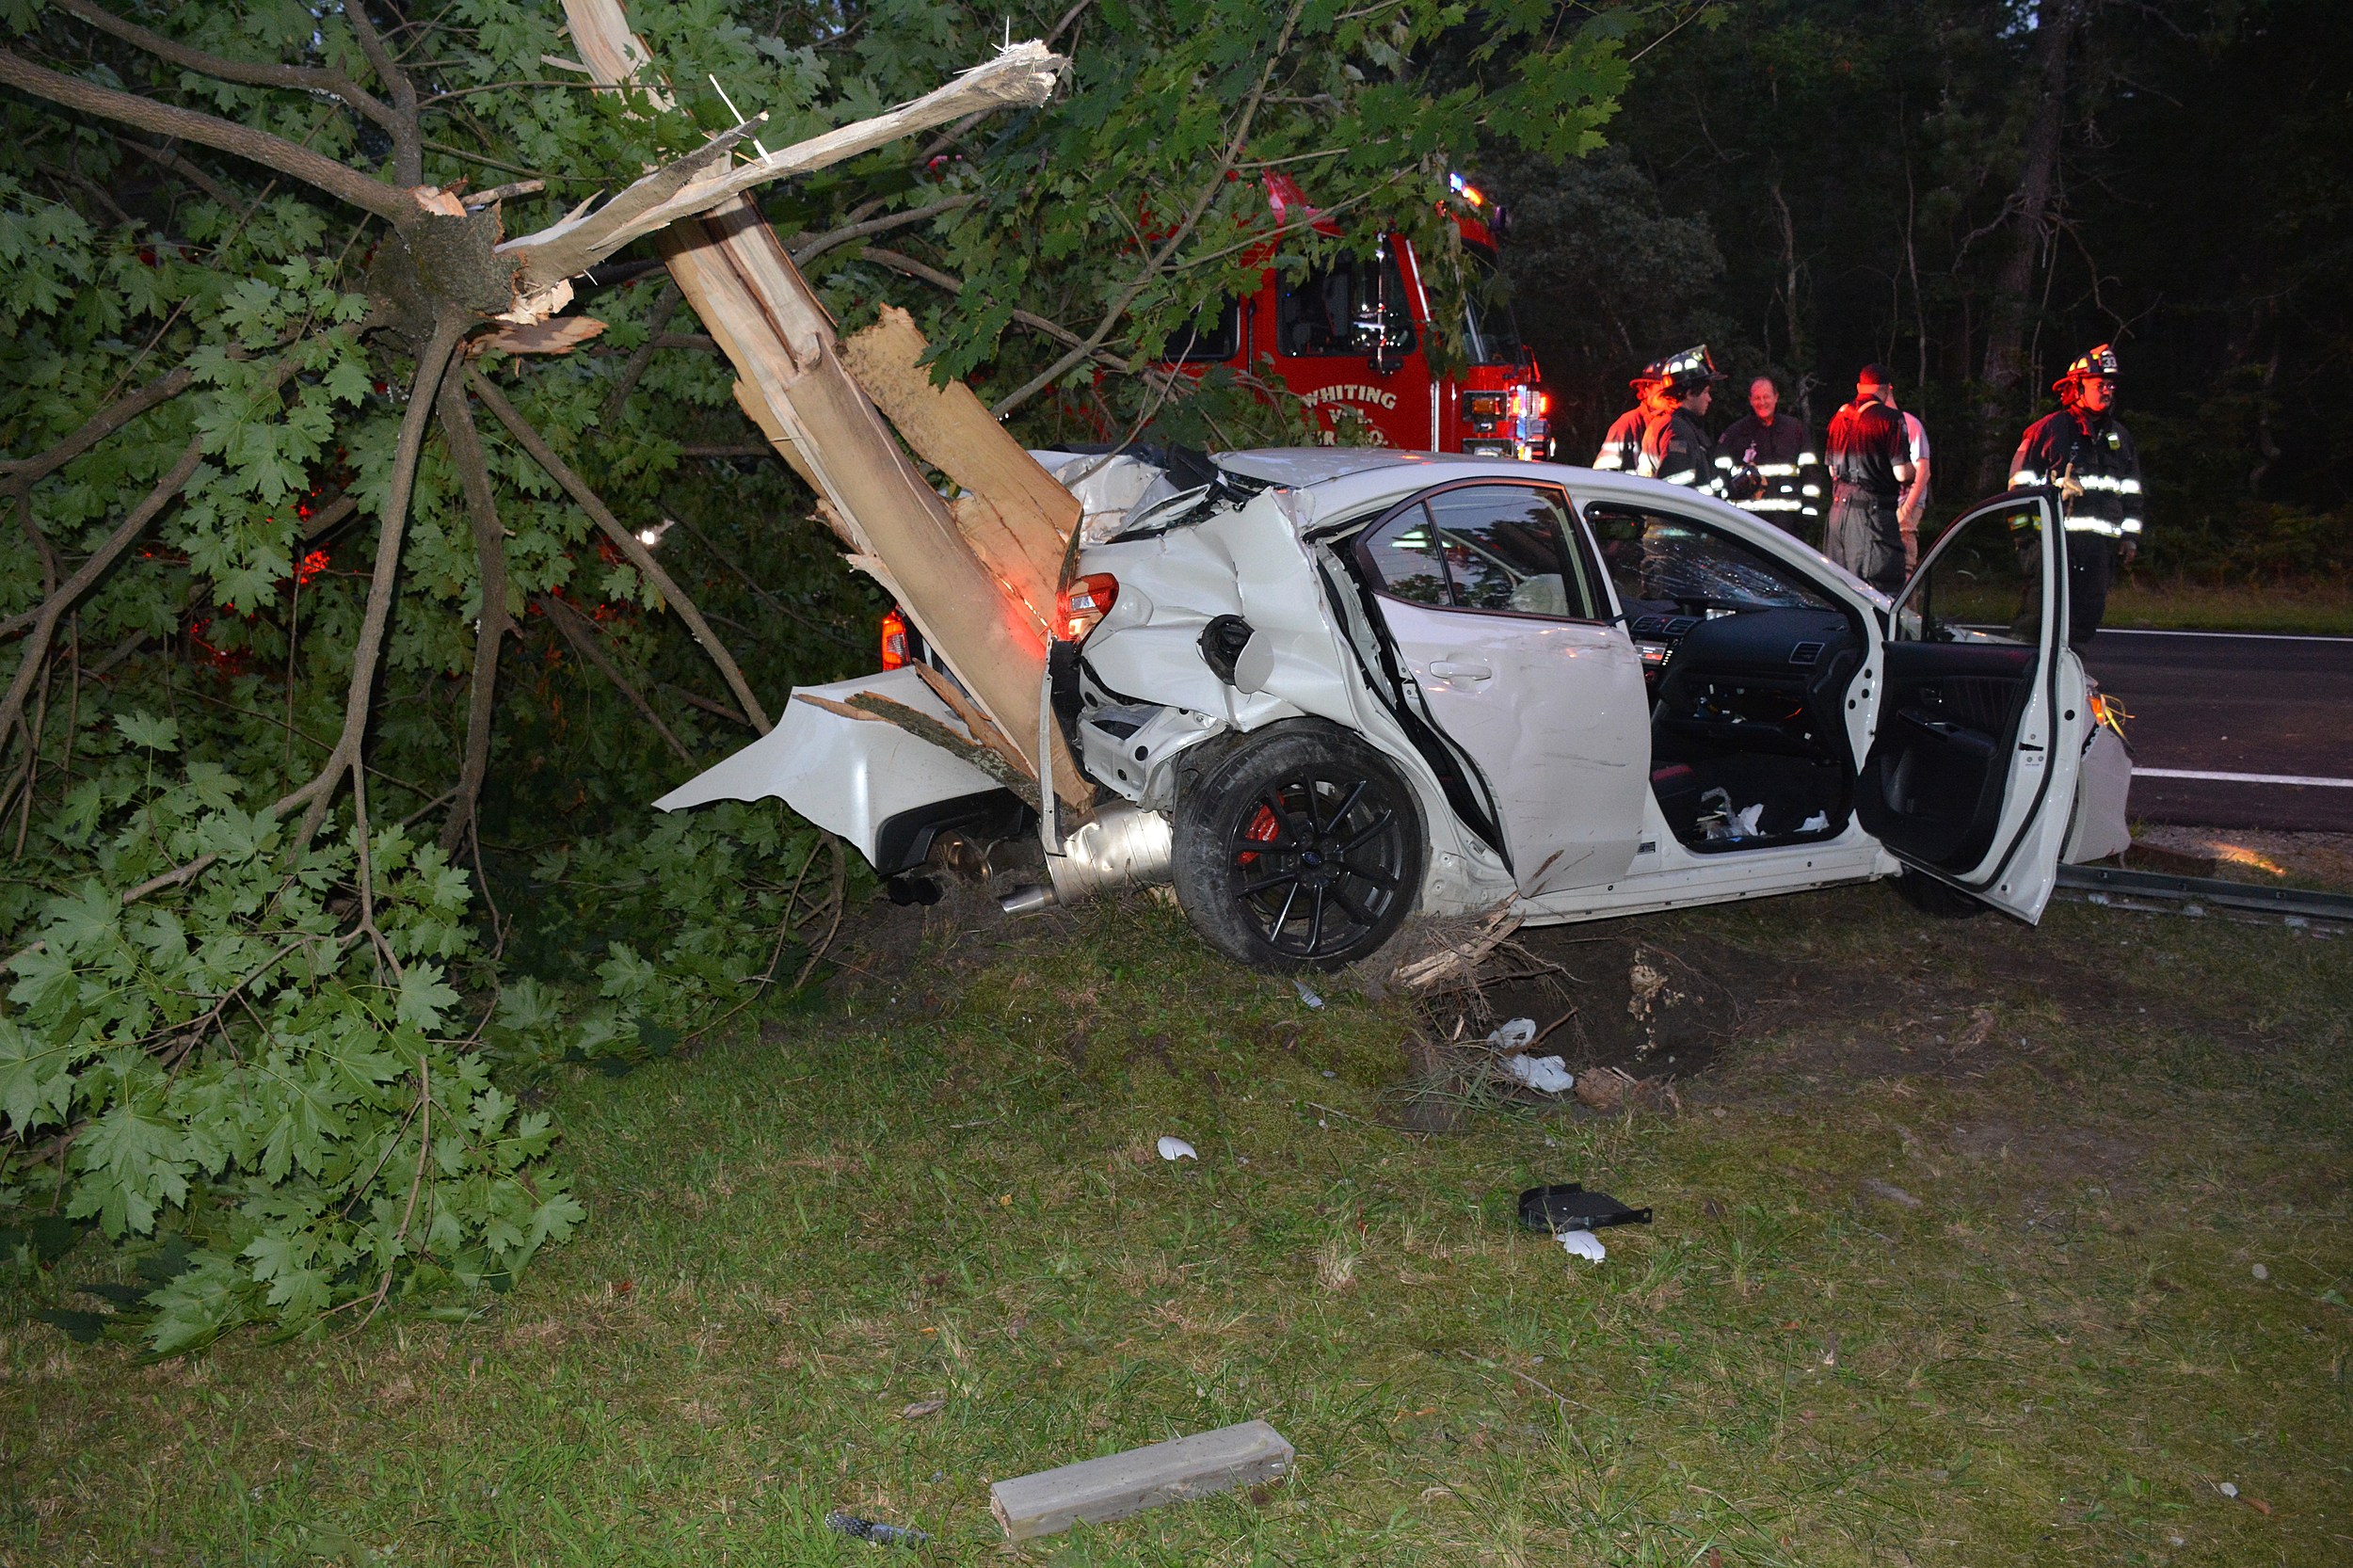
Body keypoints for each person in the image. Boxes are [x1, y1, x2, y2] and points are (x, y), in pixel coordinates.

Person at [2009, 344, 2142, 648]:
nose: (2108, 391)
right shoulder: (2048, 432)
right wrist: (2026, 542)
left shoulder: (2119, 437)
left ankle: (2069, 681)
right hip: (2054, 546)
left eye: (2111, 385)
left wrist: (2128, 537)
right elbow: (2018, 489)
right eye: (2100, 384)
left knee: (2084, 619)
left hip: (2098, 551)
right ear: (2077, 387)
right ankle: (2017, 678)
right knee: (2038, 619)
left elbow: (2131, 491)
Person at [1823, 364, 1914, 593]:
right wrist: (1915, 472)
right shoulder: (1890, 419)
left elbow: (1832, 471)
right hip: (1871, 519)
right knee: (1877, 590)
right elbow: (1901, 473)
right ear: (1887, 390)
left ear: (1859, 387)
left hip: (1837, 515)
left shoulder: (1839, 416)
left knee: (1838, 589)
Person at [1714, 375, 1817, 536]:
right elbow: (1719, 475)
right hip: (1746, 524)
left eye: (1766, 397)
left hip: (1787, 524)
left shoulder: (1795, 430)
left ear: (1776, 397)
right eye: (1757, 398)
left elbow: (1810, 472)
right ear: (1750, 400)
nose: (1762, 402)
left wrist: (1809, 511)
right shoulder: (1734, 433)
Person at [1637, 344, 1723, 491]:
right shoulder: (1678, 433)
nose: (1709, 399)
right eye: (1705, 392)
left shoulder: (1675, 424)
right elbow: (1675, 490)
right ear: (1689, 393)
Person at [1881, 387, 1932, 570]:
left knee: (1904, 562)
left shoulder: (1909, 424)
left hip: (1906, 501)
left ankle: (1908, 595)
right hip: (1884, 503)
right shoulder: (1877, 424)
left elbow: (1923, 471)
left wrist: (1907, 509)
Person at [1593, 366, 1663, 473]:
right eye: (1663, 388)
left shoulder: (1676, 425)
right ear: (1645, 389)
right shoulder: (1627, 424)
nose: (1670, 393)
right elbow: (1602, 475)